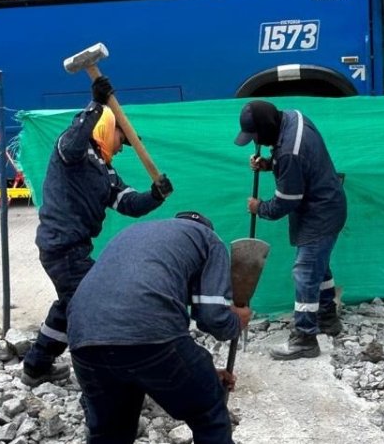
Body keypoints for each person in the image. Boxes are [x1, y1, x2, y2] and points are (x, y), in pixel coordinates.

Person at [21, 76, 174, 387]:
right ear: (107, 128)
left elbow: (129, 203)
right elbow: (76, 137)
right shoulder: (71, 152)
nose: (119, 150)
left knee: (71, 303)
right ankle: (102, 370)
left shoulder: (105, 170)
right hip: (61, 246)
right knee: (91, 302)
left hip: (74, 248)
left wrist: (155, 196)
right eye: (121, 140)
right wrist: (97, 104)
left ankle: (37, 365)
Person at [68, 211, 250, 444]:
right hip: (150, 334)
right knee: (208, 413)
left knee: (110, 433)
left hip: (84, 337)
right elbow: (213, 317)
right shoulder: (208, 239)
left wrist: (198, 375)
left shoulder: (134, 233)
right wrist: (237, 322)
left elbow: (137, 362)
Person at [235, 100, 347, 360]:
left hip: (319, 213)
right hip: (329, 204)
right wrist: (269, 163)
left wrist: (259, 207)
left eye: (256, 137)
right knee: (319, 266)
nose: (256, 142)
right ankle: (327, 318)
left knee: (306, 272)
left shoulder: (288, 153)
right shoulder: (293, 117)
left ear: (267, 128)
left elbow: (286, 201)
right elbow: (294, 160)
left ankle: (305, 338)